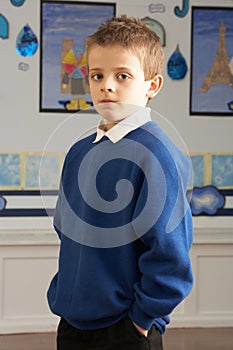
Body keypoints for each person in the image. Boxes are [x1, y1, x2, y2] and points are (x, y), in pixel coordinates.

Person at [47, 15, 193, 350]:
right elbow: (66, 231)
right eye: (97, 75)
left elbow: (170, 257)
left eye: (122, 76)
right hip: (72, 323)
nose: (106, 85)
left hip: (126, 329)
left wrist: (141, 321)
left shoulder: (157, 155)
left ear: (151, 85)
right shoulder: (79, 152)